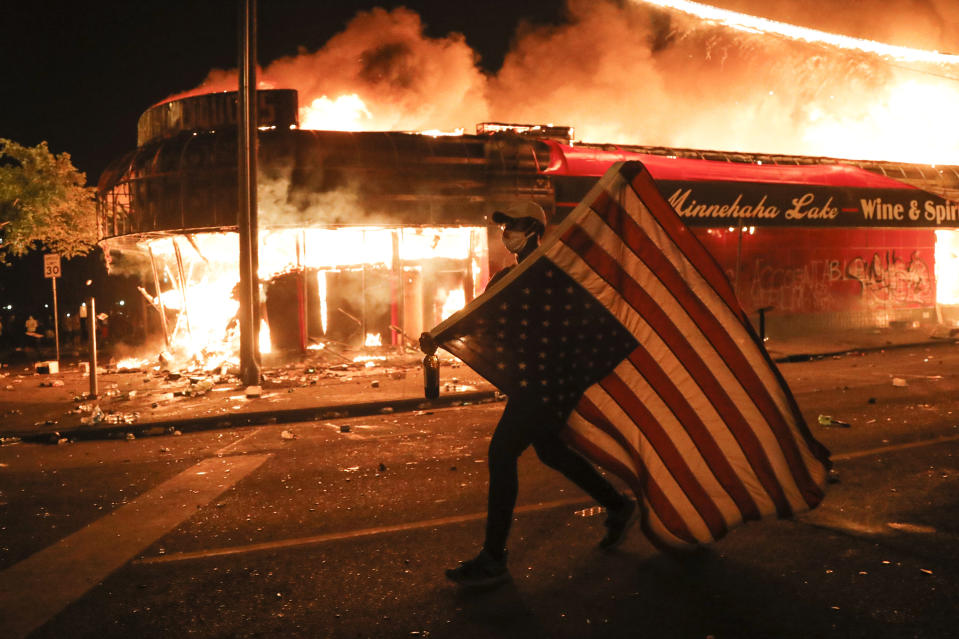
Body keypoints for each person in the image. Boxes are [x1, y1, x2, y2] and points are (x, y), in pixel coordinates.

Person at [421, 201, 637, 589]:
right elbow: (478, 317)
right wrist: (439, 334)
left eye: (515, 226)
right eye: (504, 227)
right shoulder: (508, 276)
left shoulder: (552, 271)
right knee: (550, 451)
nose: (507, 234)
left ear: (534, 229)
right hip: (534, 383)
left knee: (502, 453)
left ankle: (493, 559)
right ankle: (619, 506)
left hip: (550, 383)